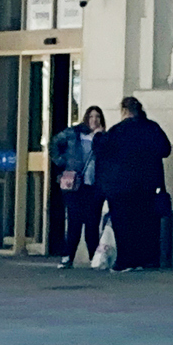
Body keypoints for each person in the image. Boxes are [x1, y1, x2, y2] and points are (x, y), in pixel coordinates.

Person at [95, 96, 173, 271]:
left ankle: (125, 260)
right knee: (145, 222)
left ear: (124, 111)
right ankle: (146, 259)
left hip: (121, 186)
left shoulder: (117, 131)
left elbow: (101, 151)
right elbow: (165, 150)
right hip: (147, 185)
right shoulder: (152, 128)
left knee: (123, 224)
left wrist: (99, 135)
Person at [50, 106, 104, 268]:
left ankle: (94, 256)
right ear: (86, 118)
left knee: (92, 223)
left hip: (93, 184)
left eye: (97, 117)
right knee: (74, 221)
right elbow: (54, 143)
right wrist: (61, 162)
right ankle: (68, 256)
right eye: (91, 116)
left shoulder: (102, 137)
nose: (94, 120)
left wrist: (99, 137)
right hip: (74, 184)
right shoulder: (73, 133)